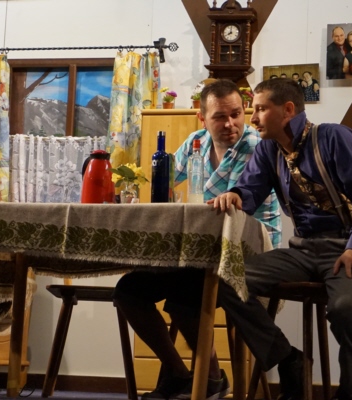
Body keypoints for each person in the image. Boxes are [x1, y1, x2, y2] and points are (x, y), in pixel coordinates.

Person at [210, 78, 352, 400]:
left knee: (344, 308)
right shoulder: (268, 149)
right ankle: (288, 359)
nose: (253, 118)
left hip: (349, 247)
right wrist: (235, 195)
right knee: (227, 280)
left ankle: (351, 393)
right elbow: (250, 191)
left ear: (288, 110)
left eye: (261, 109)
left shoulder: (333, 137)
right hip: (303, 249)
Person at [113, 79, 282, 400]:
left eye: (236, 114)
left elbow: (242, 207)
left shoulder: (258, 148)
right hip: (199, 255)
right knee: (129, 290)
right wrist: (137, 187)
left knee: (185, 293)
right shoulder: (195, 143)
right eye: (220, 117)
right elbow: (163, 182)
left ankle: (211, 378)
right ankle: (179, 373)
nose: (230, 123)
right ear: (201, 117)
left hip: (249, 256)